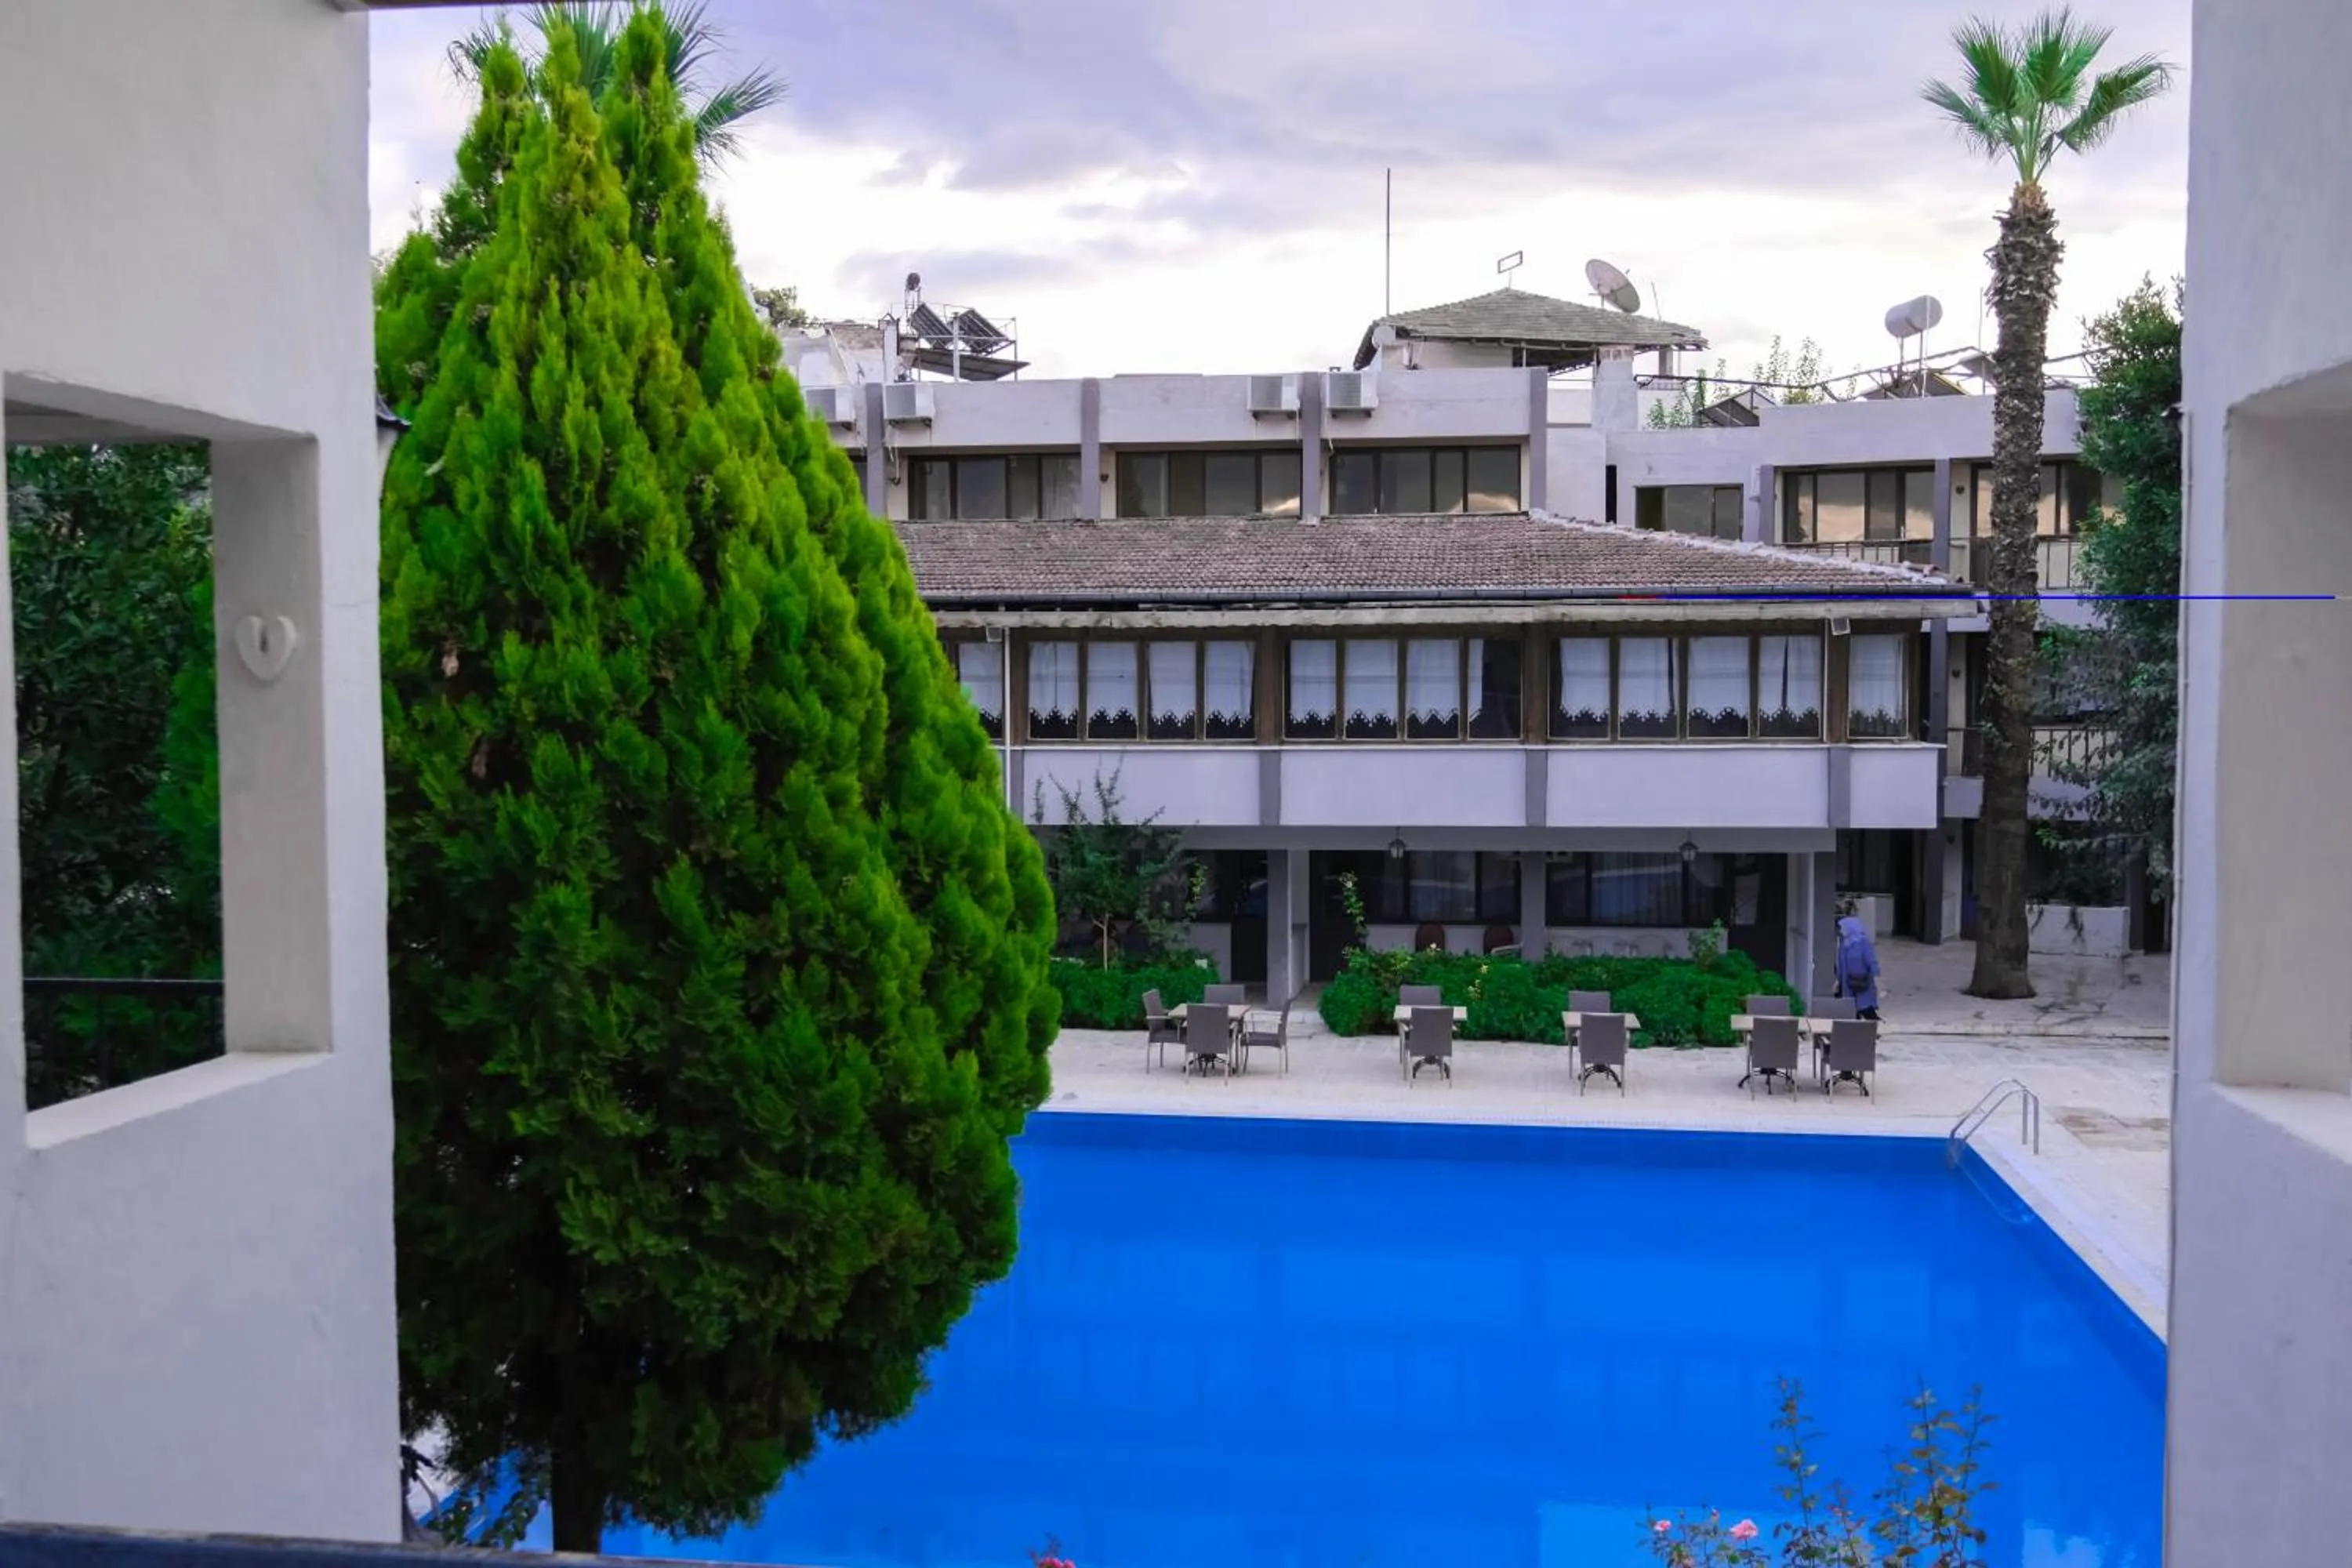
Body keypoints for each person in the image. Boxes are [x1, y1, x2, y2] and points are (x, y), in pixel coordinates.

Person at [1834, 903, 1882, 1022]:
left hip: (1863, 981)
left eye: (1841, 928)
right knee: (1852, 1010)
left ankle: (1874, 1026)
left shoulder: (1863, 942)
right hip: (1848, 983)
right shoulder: (1843, 944)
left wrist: (1876, 976)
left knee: (1866, 1008)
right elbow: (1841, 964)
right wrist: (1838, 980)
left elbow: (1871, 960)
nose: (1840, 931)